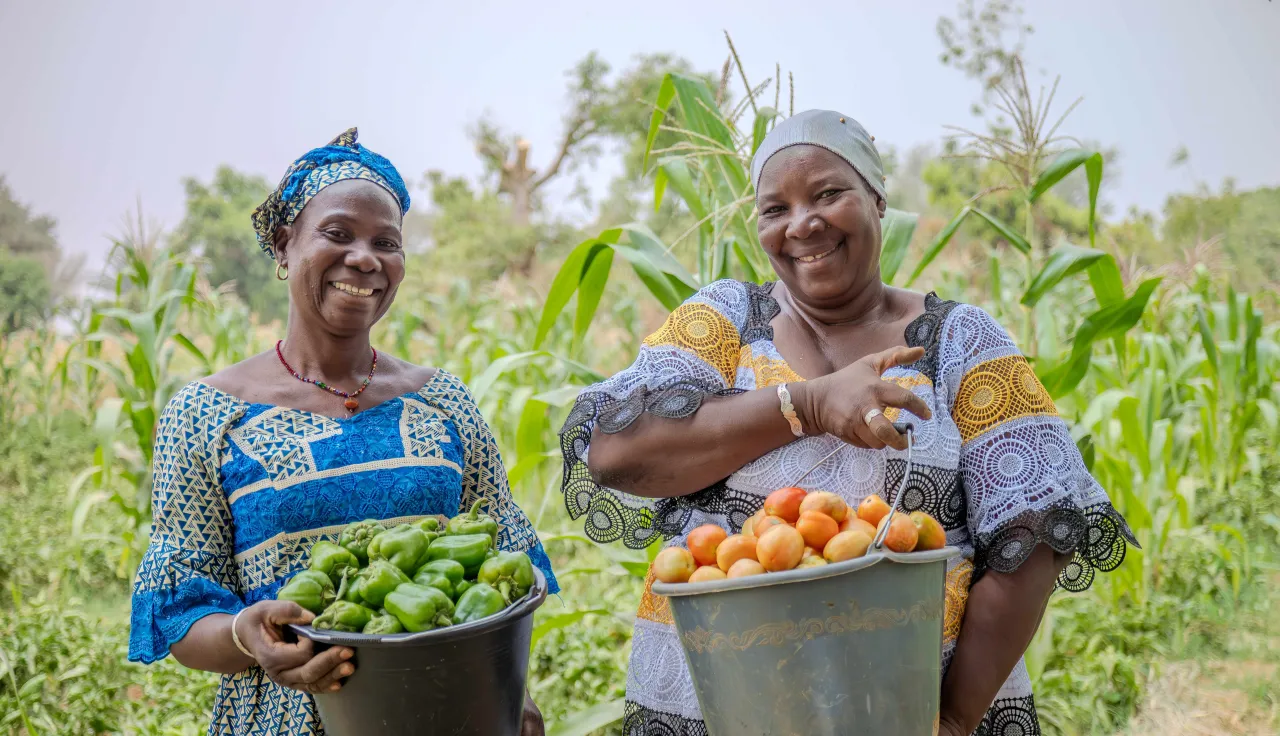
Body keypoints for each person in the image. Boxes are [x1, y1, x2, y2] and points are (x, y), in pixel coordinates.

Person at [558, 110, 1136, 735]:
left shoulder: (961, 343)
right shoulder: (723, 320)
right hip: (721, 704)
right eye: (774, 208)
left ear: (878, 199)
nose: (803, 224)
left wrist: (948, 716)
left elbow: (1037, 531)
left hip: (903, 703)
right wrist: (806, 406)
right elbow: (615, 452)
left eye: (829, 194)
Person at [128, 128, 558, 735]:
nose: (365, 258)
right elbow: (180, 614)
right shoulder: (205, 415)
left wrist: (514, 692)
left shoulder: (445, 404)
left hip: (450, 710)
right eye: (337, 234)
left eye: (387, 243)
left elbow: (507, 574)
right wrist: (247, 637)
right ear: (283, 247)